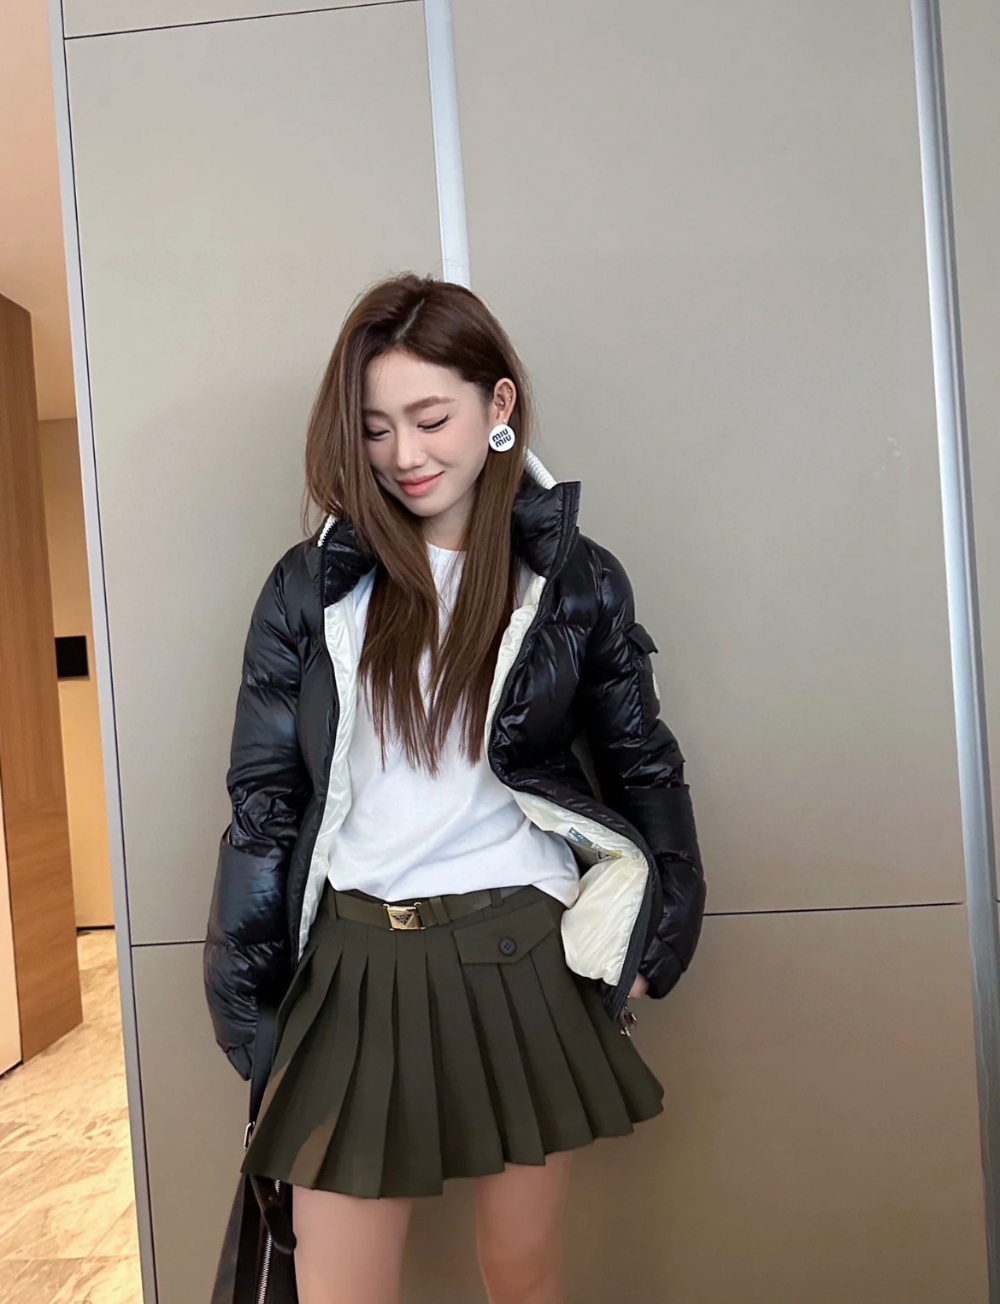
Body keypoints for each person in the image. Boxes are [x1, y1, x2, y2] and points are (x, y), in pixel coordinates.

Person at [204, 273, 706, 1304]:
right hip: (352, 961)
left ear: (497, 404)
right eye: (375, 427)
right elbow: (264, 802)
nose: (404, 454)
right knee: (338, 1288)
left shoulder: (572, 580)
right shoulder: (312, 587)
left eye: (430, 418)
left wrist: (659, 943)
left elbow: (641, 761)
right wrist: (246, 998)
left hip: (518, 950)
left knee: (521, 1279)